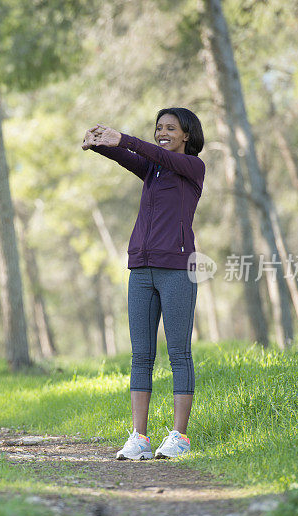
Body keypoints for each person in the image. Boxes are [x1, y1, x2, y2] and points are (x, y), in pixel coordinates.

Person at [81, 108, 205, 460]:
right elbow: (128, 157)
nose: (162, 132)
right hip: (141, 269)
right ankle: (140, 438)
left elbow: (148, 151)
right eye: (159, 127)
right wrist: (101, 143)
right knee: (142, 355)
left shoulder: (193, 167)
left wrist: (126, 139)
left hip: (177, 269)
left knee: (179, 353)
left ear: (186, 135)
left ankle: (179, 437)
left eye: (171, 128)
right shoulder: (153, 169)